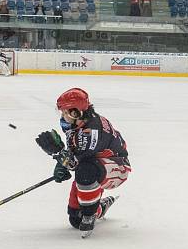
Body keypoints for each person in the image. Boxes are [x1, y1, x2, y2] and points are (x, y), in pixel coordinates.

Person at [35, 88, 131, 237]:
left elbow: (77, 164)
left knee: (85, 173)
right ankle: (99, 206)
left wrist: (58, 154)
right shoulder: (78, 122)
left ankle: (90, 214)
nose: (62, 115)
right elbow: (77, 152)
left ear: (75, 112)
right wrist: (62, 162)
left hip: (117, 168)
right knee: (76, 219)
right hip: (96, 164)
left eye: (64, 111)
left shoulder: (92, 131)